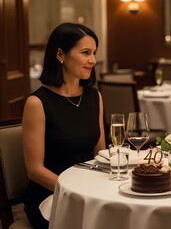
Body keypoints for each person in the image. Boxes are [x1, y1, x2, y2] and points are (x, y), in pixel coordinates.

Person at [22, 22, 106, 228]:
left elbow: (100, 153)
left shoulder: (95, 97)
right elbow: (34, 170)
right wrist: (75, 190)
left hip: (89, 191)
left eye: (94, 52)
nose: (93, 60)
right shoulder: (37, 102)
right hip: (52, 195)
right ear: (60, 54)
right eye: (85, 52)